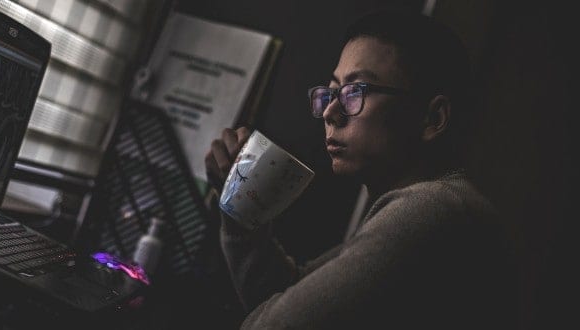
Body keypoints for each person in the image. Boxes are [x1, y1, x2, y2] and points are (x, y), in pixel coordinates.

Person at [204, 10, 516, 329]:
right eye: (331, 92)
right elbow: (289, 294)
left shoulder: (434, 211)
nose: (329, 112)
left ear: (432, 118)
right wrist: (240, 210)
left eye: (355, 92)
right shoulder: (430, 206)